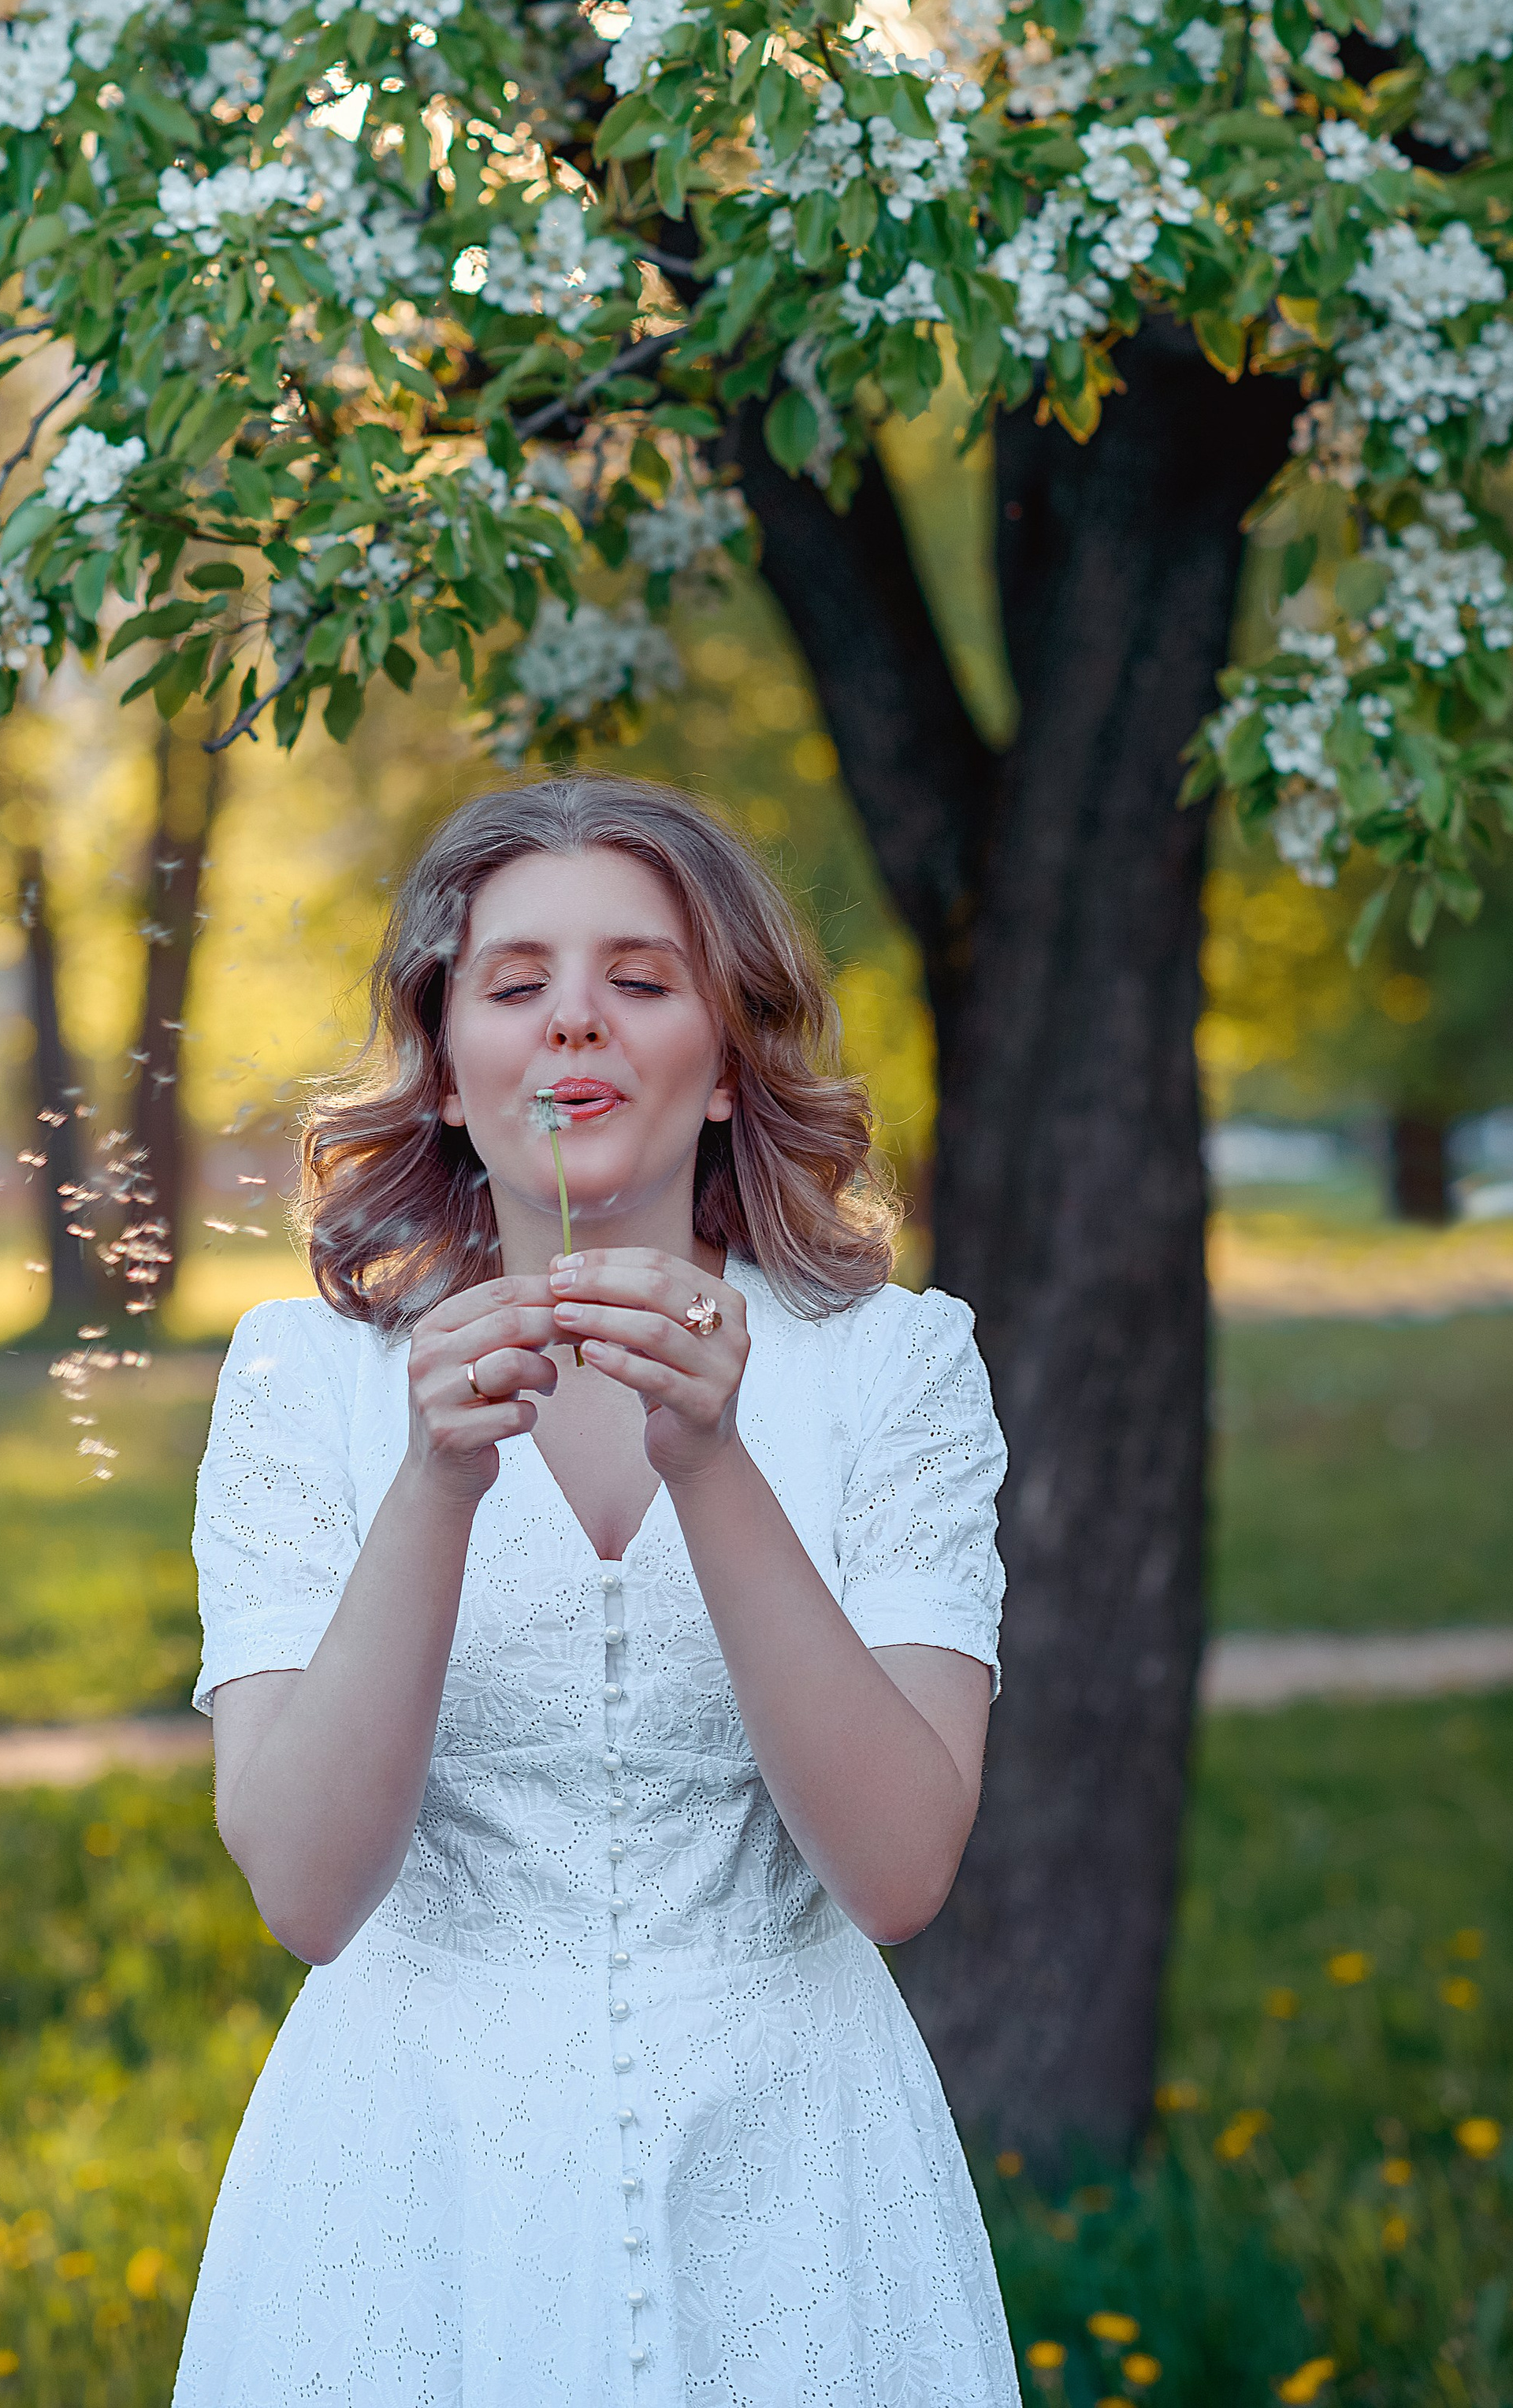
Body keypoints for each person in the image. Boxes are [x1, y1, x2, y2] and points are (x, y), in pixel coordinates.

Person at [173, 775, 1018, 2407]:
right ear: (440, 1063)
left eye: (639, 980)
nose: (574, 1022)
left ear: (721, 1063)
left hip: (799, 2201)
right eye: (514, 985)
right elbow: (303, 1890)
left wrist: (713, 1461)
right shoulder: (308, 1379)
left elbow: (900, 1866)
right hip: (405, 2204)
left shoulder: (894, 1369)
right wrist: (433, 1481)